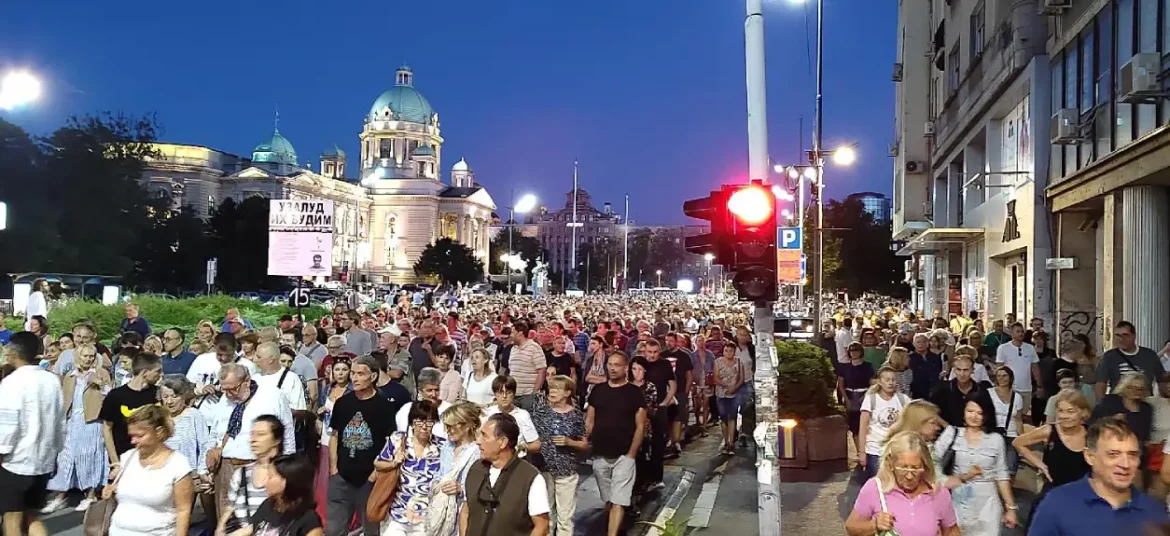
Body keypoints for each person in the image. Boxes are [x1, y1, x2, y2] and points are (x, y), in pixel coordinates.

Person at [1028, 418, 1168, 535]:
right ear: (1090, 457)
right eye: (1113, 454)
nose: (1125, 464)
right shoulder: (1058, 502)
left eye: (1132, 455)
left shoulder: (1154, 511)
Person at [208, 364, 296, 522]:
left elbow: (287, 429)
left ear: (246, 381)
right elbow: (215, 431)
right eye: (224, 389)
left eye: (233, 389)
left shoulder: (271, 396)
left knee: (261, 518)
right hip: (226, 466)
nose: (228, 394)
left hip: (261, 465)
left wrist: (287, 466)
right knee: (227, 519)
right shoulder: (224, 400)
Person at [0, 332, 65, 536]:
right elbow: (59, 420)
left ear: (13, 353)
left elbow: (8, 425)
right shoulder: (51, 380)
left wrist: (1, 452)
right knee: (32, 517)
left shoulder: (12, 382)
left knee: (12, 520)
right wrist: (55, 452)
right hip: (43, 460)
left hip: (15, 462)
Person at [326, 355, 395, 536]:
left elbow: (390, 442)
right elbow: (334, 435)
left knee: (371, 530)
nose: (355, 378)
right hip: (341, 477)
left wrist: (375, 474)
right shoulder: (343, 403)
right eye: (353, 373)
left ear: (372, 377)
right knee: (333, 530)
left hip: (369, 479)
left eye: (360, 374)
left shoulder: (383, 406)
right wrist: (334, 467)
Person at [931, 394, 1019, 535]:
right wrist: (946, 481)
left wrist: (1011, 508)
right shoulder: (951, 433)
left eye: (980, 413)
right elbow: (931, 462)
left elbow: (1001, 475)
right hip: (956, 500)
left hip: (987, 503)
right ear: (963, 411)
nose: (974, 416)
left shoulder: (996, 439)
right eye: (970, 411)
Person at [844, 431, 960, 536]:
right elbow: (851, 527)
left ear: (925, 466)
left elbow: (951, 531)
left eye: (915, 468)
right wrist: (874, 525)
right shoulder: (875, 488)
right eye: (903, 468)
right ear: (891, 464)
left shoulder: (938, 493)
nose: (909, 476)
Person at [105, 404, 194, 536]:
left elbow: (183, 510)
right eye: (131, 436)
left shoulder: (178, 465)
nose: (133, 441)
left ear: (159, 432)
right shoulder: (127, 458)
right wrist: (111, 491)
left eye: (139, 436)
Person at [43, 343, 111, 513]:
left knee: (88, 456)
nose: (88, 359)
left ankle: (90, 494)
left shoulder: (101, 373)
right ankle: (60, 495)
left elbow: (110, 395)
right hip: (72, 419)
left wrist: (100, 385)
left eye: (91, 356)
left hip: (92, 421)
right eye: (85, 356)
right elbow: (64, 399)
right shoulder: (70, 375)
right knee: (65, 457)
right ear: (78, 357)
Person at [460, 413, 551, 536]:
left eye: (484, 436)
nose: (478, 441)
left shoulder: (530, 477)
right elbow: (466, 511)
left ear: (502, 442)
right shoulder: (476, 469)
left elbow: (541, 527)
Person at [586, 351, 645, 536]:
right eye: (610, 364)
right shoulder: (598, 390)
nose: (612, 368)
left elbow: (640, 425)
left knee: (619, 499)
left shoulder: (635, 393)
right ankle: (614, 526)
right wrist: (589, 441)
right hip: (601, 453)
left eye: (616, 365)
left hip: (624, 455)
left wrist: (632, 454)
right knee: (609, 499)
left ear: (625, 368)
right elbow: (590, 419)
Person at [1013, 389, 1090, 531]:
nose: (1064, 416)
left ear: (1083, 413)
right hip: (1052, 497)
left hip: (1081, 500)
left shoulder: (1091, 435)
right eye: (1060, 411)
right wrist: (1040, 465)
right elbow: (1018, 443)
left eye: (1070, 411)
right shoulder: (1049, 431)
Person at [373, 399, 443, 536]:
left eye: (429, 422)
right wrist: (394, 462)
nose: (424, 426)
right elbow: (377, 463)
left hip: (425, 518)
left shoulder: (441, 447)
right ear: (412, 422)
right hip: (397, 513)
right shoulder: (398, 440)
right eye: (419, 421)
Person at [531, 375, 587, 535]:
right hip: (543, 470)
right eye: (552, 387)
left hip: (566, 472)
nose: (552, 391)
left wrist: (569, 442)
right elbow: (532, 438)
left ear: (568, 393)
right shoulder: (541, 413)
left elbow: (584, 444)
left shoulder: (576, 415)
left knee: (565, 519)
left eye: (557, 388)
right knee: (546, 517)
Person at [217, 415, 286, 534]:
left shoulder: (286, 473)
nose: (253, 440)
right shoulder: (241, 474)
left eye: (261, 434)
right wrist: (220, 529)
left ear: (277, 439)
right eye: (252, 434)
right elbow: (230, 506)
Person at [232, 454, 323, 536]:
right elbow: (249, 530)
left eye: (270, 476)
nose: (264, 481)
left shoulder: (309, 520)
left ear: (286, 482)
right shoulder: (269, 505)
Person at [102, 352, 163, 466]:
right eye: (157, 371)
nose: (160, 375)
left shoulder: (157, 393)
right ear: (144, 372)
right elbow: (107, 429)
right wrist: (115, 461)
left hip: (152, 458)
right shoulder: (116, 396)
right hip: (124, 457)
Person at [435, 402, 484, 536]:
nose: (448, 430)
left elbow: (482, 485)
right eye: (446, 426)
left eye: (451, 426)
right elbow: (440, 473)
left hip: (465, 511)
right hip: (443, 510)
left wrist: (460, 488)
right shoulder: (447, 447)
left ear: (467, 426)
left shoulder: (478, 452)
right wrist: (436, 484)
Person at [859, 366, 912, 478]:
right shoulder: (871, 399)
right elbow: (863, 426)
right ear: (880, 381)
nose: (890, 383)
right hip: (875, 450)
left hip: (897, 450)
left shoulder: (903, 399)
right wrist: (862, 452)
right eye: (887, 380)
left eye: (893, 379)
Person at [1096, 321, 1163, 402]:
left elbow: (1162, 380)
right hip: (1118, 403)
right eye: (1118, 335)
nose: (1121, 339)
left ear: (1134, 336)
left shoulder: (1149, 355)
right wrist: (1102, 406)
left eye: (1125, 335)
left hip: (1145, 402)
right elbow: (1101, 384)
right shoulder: (1109, 357)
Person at [839, 342, 876, 456]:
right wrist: (846, 399)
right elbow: (841, 385)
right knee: (854, 426)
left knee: (867, 424)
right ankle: (859, 452)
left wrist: (866, 396)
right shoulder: (844, 367)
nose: (854, 353)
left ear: (861, 352)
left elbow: (872, 384)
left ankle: (867, 450)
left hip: (865, 395)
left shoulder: (868, 366)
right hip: (850, 396)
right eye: (852, 350)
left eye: (856, 350)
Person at [714, 340, 749, 456]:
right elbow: (716, 378)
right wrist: (726, 385)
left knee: (732, 417)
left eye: (731, 351)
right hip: (721, 393)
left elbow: (741, 378)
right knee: (723, 418)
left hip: (734, 394)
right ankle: (725, 440)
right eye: (726, 350)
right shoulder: (718, 362)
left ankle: (731, 442)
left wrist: (735, 387)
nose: (728, 353)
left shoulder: (739, 362)